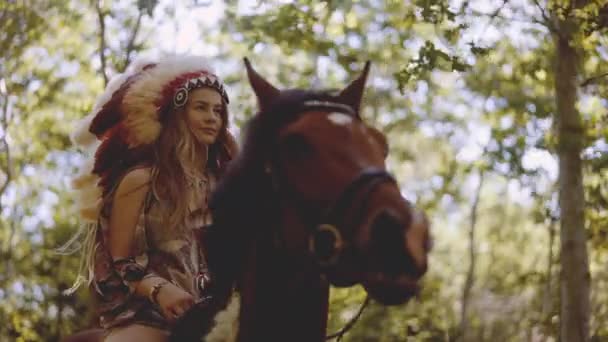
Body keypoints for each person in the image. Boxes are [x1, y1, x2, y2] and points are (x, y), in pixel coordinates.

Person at [66, 54, 238, 341]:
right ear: (177, 114)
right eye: (201, 108)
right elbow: (119, 259)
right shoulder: (141, 179)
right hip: (148, 317)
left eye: (218, 111)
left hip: (214, 318)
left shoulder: (223, 188)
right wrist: (159, 289)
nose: (212, 117)